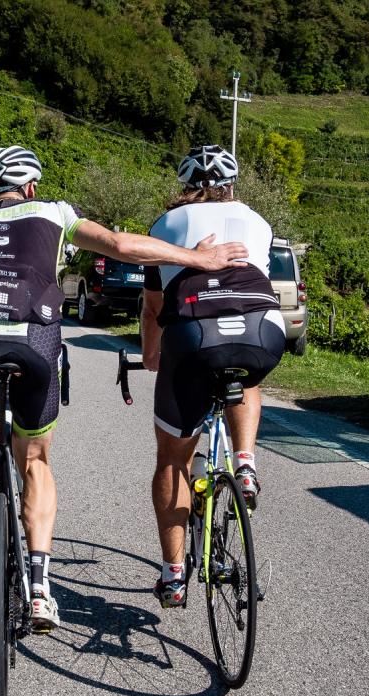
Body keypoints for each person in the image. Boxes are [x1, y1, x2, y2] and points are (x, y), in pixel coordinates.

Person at [0, 145, 250, 632]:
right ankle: (39, 590)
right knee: (35, 460)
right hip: (36, 344)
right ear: (32, 186)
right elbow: (122, 246)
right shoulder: (56, 212)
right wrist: (196, 258)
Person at [141, 145, 286, 609]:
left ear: (185, 184)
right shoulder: (259, 221)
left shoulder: (165, 227)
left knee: (172, 460)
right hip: (263, 329)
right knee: (246, 374)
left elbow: (154, 307)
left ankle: (175, 574)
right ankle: (244, 463)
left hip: (193, 335)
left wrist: (150, 356)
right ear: (232, 184)